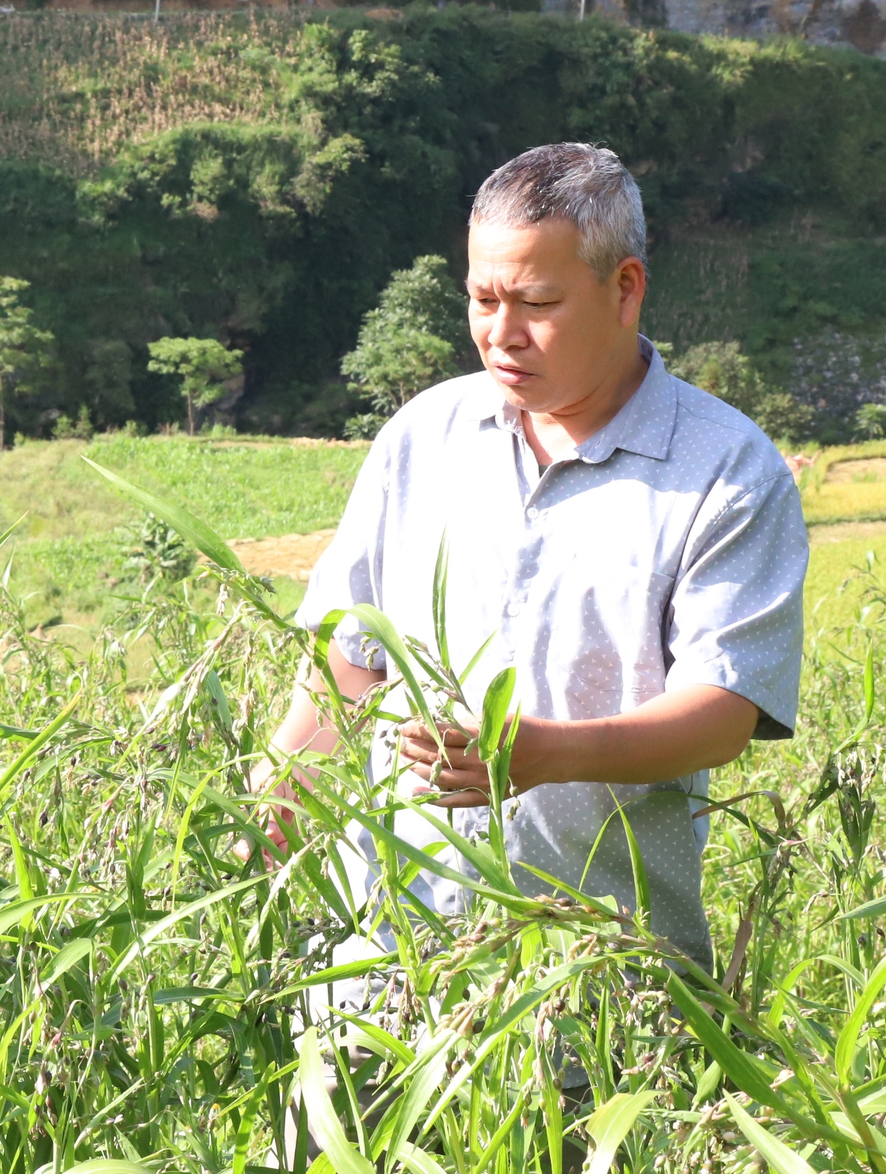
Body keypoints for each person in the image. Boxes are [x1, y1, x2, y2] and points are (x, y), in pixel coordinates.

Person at [259, 143, 806, 977]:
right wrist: (282, 783)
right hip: (382, 962)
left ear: (625, 290)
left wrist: (547, 751)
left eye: (537, 302)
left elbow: (725, 708)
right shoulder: (424, 436)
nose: (500, 333)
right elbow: (351, 654)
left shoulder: (725, 470)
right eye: (482, 298)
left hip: (596, 968)